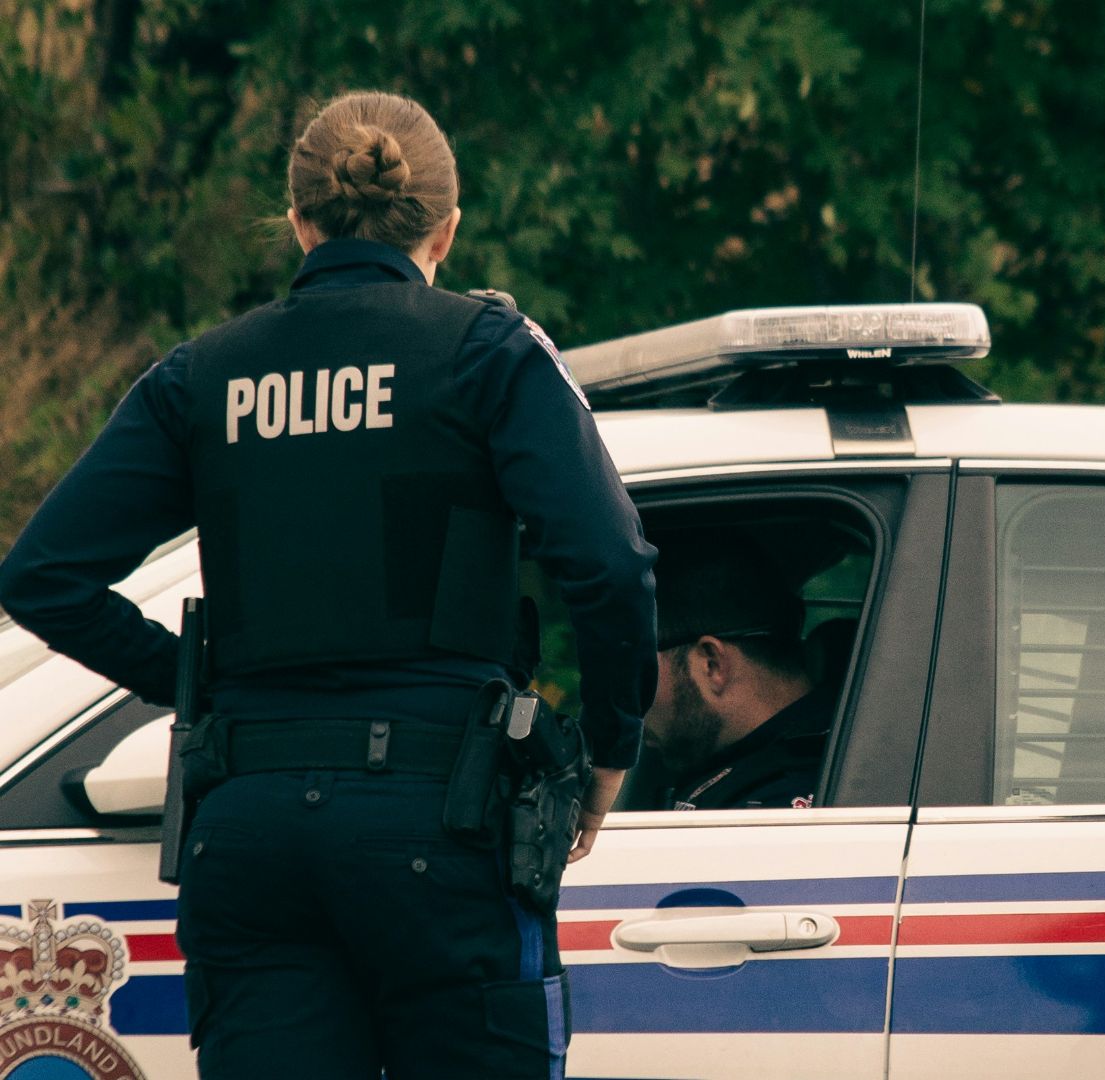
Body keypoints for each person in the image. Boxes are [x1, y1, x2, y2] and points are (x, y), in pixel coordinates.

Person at [0, 91, 656, 1079]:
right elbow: (608, 567)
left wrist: (200, 680)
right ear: (448, 226)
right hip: (443, 820)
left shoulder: (202, 376)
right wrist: (610, 752)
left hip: (250, 833)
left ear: (300, 222)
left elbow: (42, 577)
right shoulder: (490, 355)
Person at [638, 534, 831, 810]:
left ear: (712, 663)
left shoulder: (784, 805)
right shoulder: (757, 761)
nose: (627, 700)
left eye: (636, 669)